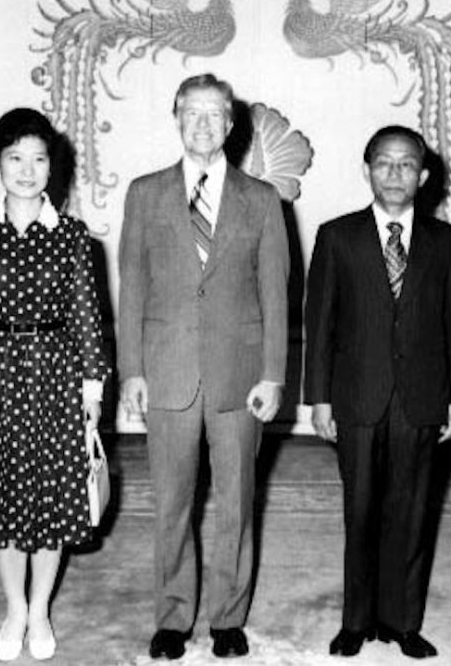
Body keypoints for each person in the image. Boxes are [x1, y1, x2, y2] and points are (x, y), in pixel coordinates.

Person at [117, 73, 289, 661]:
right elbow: (132, 288)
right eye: (193, 112)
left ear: (231, 124)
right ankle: (172, 618)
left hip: (239, 379)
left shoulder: (262, 200)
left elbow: (276, 293)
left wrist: (273, 375)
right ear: (176, 117)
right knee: (171, 502)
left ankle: (227, 619)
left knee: (237, 503)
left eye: (215, 114)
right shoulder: (144, 194)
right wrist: (131, 371)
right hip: (165, 374)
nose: (203, 124)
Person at [0, 107, 109, 662]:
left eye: (38, 159)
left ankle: (41, 613)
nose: (28, 170)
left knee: (54, 501)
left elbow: (87, 314)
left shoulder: (73, 237)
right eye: (16, 158)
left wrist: (92, 387)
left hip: (56, 377)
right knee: (5, 501)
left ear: (51, 167)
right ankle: (14, 608)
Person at [305, 125, 451, 660]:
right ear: (367, 170)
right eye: (384, 162)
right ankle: (355, 621)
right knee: (361, 510)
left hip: (421, 398)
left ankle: (402, 621)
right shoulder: (337, 237)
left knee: (412, 510)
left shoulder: (449, 243)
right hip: (357, 398)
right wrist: (319, 399)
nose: (395, 173)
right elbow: (321, 324)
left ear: (424, 176)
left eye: (406, 165)